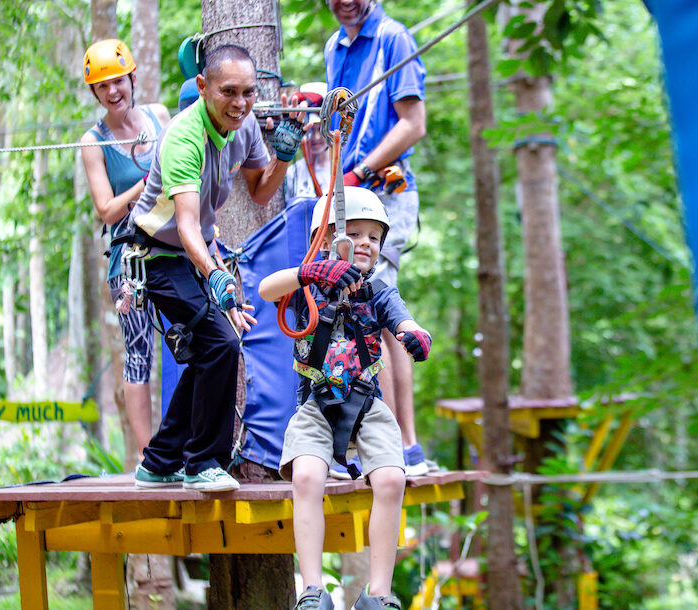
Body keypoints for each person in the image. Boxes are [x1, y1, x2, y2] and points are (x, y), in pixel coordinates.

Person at [127, 44, 306, 491]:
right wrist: (217, 274)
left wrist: (282, 157)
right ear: (204, 87)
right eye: (229, 92)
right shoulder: (184, 137)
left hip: (189, 254)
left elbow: (261, 193)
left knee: (216, 348)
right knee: (222, 343)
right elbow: (186, 226)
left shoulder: (242, 129)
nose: (241, 103)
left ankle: (159, 461)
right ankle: (201, 463)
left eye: (248, 93)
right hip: (153, 255)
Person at [259, 187, 432, 610]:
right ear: (328, 237)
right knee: (306, 478)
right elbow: (266, 289)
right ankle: (313, 590)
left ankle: (378, 593)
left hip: (366, 405)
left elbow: (400, 316)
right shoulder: (308, 283)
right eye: (355, 234)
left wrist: (413, 332)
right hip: (316, 404)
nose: (366, 244)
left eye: (374, 237)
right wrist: (311, 275)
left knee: (391, 479)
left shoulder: (378, 289)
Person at [325, 0, 431, 477]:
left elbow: (413, 123)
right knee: (349, 310)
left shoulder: (393, 38)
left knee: (381, 312)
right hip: (348, 197)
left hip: (383, 193)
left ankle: (402, 446)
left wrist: (361, 171)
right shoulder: (334, 48)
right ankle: (372, 439)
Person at [80, 39, 171, 462]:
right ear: (96, 94)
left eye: (118, 81)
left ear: (133, 78)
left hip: (173, 248)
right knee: (138, 354)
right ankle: (147, 455)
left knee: (199, 340)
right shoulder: (93, 142)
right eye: (103, 87)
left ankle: (192, 443)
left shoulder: (159, 117)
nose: (113, 91)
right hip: (129, 259)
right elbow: (106, 209)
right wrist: (146, 183)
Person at [284, 82, 331, 200]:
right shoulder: (292, 173)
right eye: (309, 131)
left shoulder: (342, 167)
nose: (315, 138)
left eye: (320, 130)